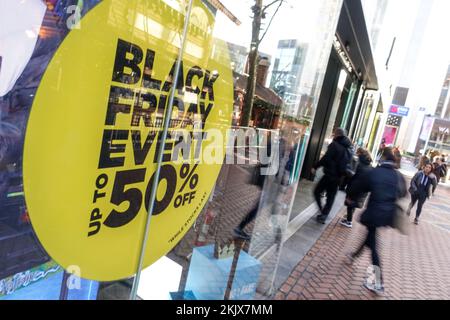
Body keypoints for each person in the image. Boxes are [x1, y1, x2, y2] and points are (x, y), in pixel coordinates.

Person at [346, 147, 407, 294]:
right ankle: (354, 255)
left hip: (374, 212)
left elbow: (360, 186)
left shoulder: (376, 172)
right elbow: (404, 193)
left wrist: (350, 196)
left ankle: (379, 283)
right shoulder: (398, 176)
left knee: (374, 246)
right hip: (388, 215)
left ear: (383, 157)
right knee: (370, 237)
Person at [311, 128, 353, 224]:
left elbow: (326, 158)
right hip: (339, 178)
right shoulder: (349, 149)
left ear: (337, 135)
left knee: (317, 192)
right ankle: (324, 215)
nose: (333, 135)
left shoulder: (334, 145)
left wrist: (315, 166)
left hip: (329, 175)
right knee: (331, 197)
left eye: (334, 134)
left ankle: (322, 212)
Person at [339, 148, 373, 228]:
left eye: (358, 153)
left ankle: (349, 221)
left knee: (350, 204)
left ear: (360, 154)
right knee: (352, 204)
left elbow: (351, 175)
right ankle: (348, 219)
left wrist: (344, 186)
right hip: (362, 190)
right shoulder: (369, 166)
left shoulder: (359, 164)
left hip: (355, 188)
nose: (356, 154)